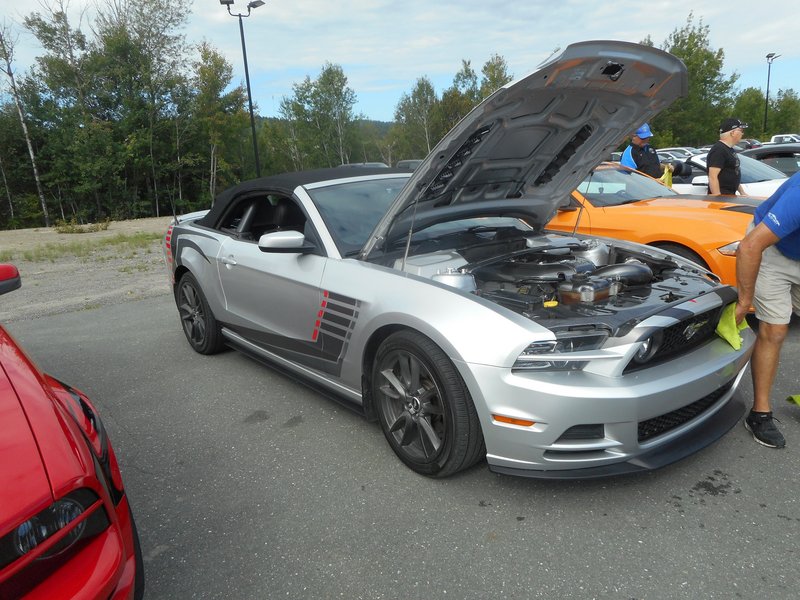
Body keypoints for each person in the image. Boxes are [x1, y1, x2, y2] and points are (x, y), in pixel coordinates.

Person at [734, 170, 800, 448]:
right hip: (772, 251)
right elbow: (749, 247)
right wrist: (744, 300)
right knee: (775, 329)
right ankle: (760, 414)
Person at [708, 118, 747, 196]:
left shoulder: (729, 149)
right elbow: (712, 176)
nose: (742, 134)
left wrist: (742, 193)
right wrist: (717, 197)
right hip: (722, 198)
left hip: (730, 196)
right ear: (732, 133)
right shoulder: (719, 150)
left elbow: (733, 172)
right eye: (741, 131)